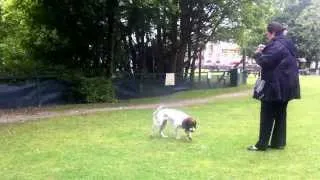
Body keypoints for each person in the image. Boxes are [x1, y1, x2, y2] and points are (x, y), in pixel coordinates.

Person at [247, 22, 301, 151]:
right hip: (288, 86)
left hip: (274, 85)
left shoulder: (276, 45)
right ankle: (278, 142)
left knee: (267, 114)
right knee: (281, 114)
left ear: (273, 32)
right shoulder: (288, 44)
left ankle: (261, 144)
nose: (266, 35)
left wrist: (258, 53)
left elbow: (265, 62)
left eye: (267, 32)